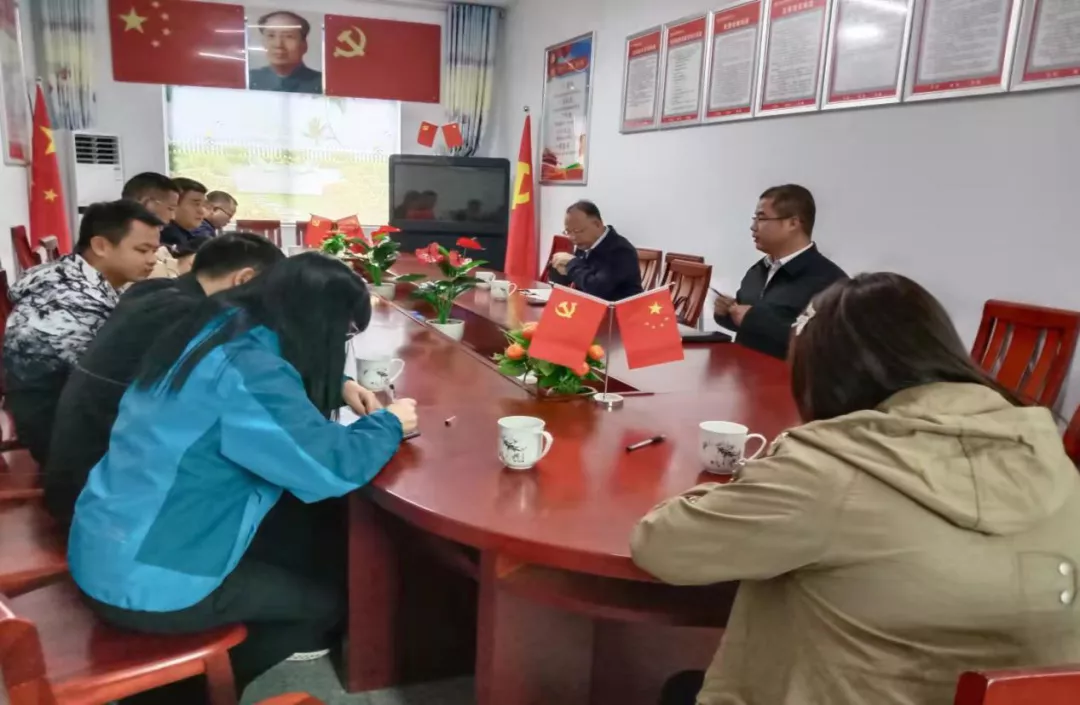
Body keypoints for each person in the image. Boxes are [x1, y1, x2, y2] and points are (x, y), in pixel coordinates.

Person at [632, 273, 1080, 705]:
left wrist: (763, 472)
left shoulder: (829, 467)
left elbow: (663, 545)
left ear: (825, 374)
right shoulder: (1049, 456)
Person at [68, 253, 418, 702]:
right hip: (153, 581)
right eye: (344, 333)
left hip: (102, 543)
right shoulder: (250, 372)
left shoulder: (214, 326)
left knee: (291, 544)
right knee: (321, 604)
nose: (341, 343)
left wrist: (336, 385)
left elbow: (258, 397)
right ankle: (190, 691)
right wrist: (390, 423)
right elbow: (329, 468)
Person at [45, 233, 286, 523]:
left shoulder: (153, 291)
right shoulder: (191, 318)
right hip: (106, 499)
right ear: (244, 280)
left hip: (79, 469)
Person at [2, 201, 162, 464]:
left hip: (71, 417)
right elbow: (115, 380)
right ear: (100, 246)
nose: (152, 260)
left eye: (154, 250)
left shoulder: (78, 277)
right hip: (64, 438)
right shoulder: (71, 302)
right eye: (142, 250)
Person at [713, 185, 845, 359]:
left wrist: (754, 320)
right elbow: (745, 322)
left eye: (762, 218)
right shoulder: (759, 270)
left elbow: (825, 344)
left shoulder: (830, 281)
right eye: (754, 219)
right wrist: (725, 313)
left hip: (787, 375)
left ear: (793, 223)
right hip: (743, 370)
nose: (753, 227)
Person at [547, 201, 644, 301]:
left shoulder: (620, 250)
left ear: (597, 224)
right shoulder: (584, 244)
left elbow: (597, 289)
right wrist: (558, 267)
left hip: (619, 309)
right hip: (585, 306)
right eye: (568, 232)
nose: (572, 237)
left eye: (577, 231)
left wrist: (571, 264)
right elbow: (572, 279)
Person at [248, 11, 322, 94]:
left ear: (304, 45)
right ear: (263, 42)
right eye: (271, 36)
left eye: (288, 36)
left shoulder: (322, 84)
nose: (278, 44)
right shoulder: (249, 80)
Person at [161, 177, 210, 252]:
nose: (202, 211)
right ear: (173, 204)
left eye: (203, 205)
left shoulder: (186, 236)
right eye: (196, 204)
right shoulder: (168, 236)